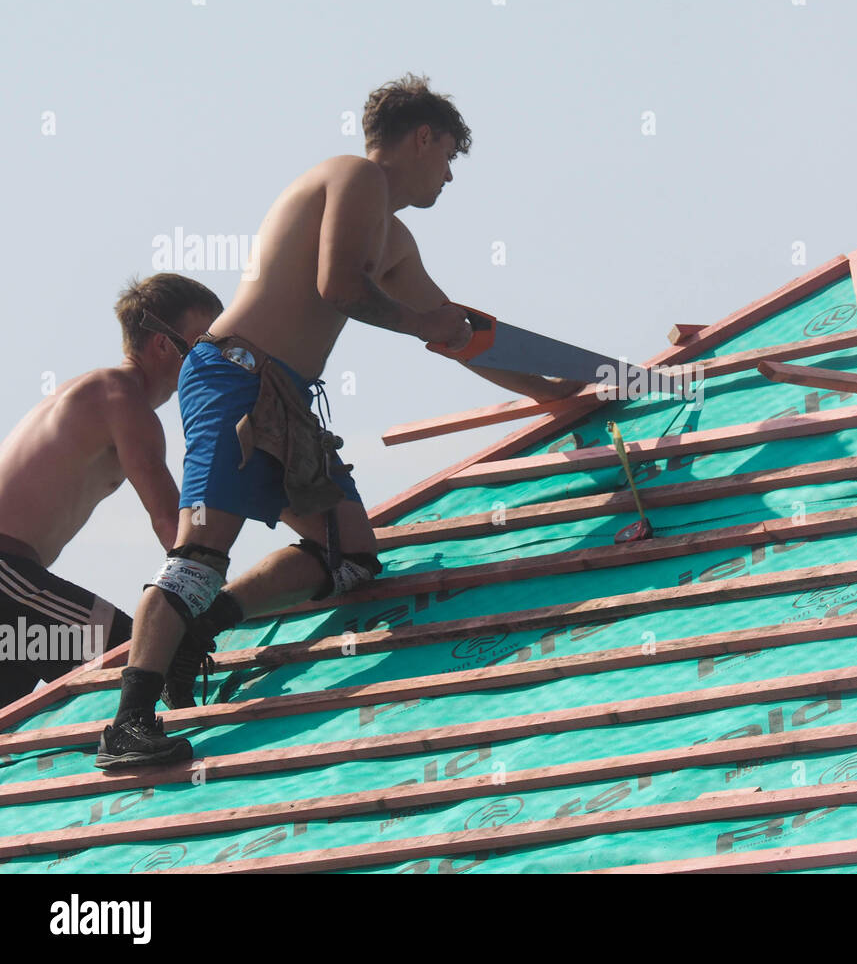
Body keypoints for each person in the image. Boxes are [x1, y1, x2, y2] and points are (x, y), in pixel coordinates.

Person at [96, 74, 578, 769]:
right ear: (424, 137)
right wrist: (420, 321)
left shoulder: (397, 240)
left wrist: (552, 393)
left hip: (284, 397)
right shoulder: (355, 178)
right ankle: (128, 723)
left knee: (349, 556)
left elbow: (450, 335)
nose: (448, 175)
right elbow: (338, 286)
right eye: (447, 157)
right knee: (199, 555)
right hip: (236, 377)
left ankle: (206, 626)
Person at [0, 274, 222, 706]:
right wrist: (214, 598)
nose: (215, 357)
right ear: (162, 344)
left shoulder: (98, 391)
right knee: (136, 655)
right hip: (6, 575)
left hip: (12, 581)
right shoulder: (121, 397)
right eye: (205, 342)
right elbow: (169, 522)